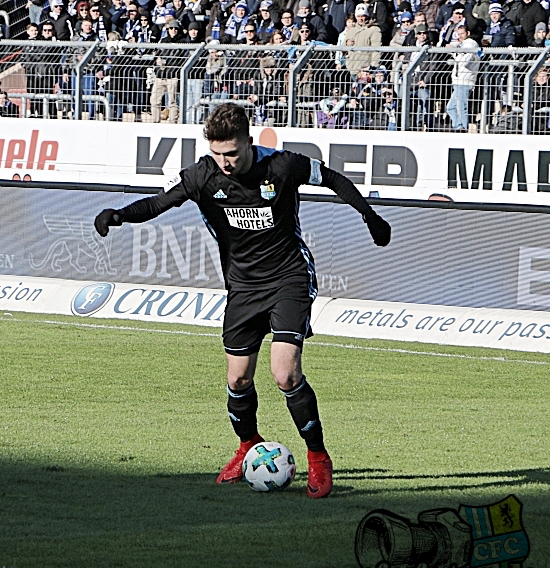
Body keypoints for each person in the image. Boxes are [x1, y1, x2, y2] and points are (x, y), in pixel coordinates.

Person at [93, 102, 391, 499]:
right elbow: (159, 203)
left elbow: (334, 178)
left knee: (284, 373)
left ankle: (318, 458)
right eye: (217, 153)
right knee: (238, 378)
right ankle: (248, 444)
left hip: (289, 278)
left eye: (231, 153)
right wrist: (119, 215)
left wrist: (368, 215)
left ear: (250, 142)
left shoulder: (282, 166)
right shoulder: (203, 175)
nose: (225, 162)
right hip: (243, 288)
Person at [446, 22, 479, 131]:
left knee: (461, 108)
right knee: (451, 107)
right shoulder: (462, 44)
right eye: (458, 34)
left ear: (468, 33)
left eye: (462, 34)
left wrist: (454, 53)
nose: (460, 36)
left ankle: (463, 129)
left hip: (465, 80)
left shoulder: (471, 44)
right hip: (458, 80)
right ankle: (459, 127)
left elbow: (464, 61)